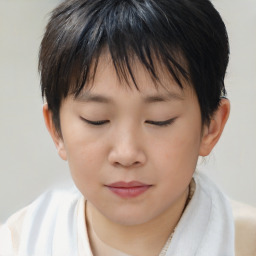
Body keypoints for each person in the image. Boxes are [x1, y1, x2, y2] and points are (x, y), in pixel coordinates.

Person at [0, 0, 255, 255]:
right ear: (56, 129)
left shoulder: (245, 242)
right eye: (96, 119)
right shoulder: (20, 243)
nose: (126, 154)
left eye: (159, 119)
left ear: (211, 125)